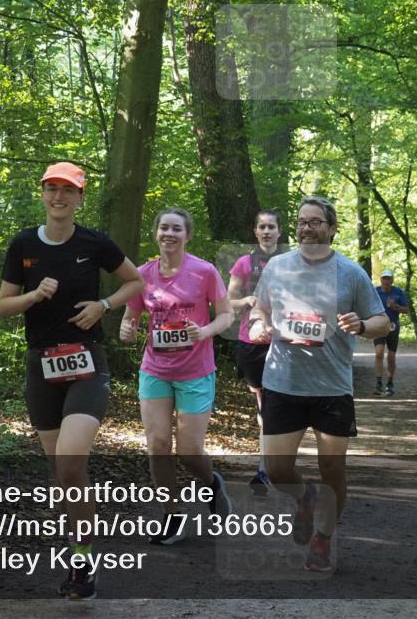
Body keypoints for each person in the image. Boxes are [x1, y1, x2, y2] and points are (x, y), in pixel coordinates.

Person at [0, 162, 145, 600]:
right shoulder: (23, 243)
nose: (59, 197)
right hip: (40, 366)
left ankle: (82, 562)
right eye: (52, 189)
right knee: (61, 471)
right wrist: (33, 295)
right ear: (42, 194)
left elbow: (134, 282)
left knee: (71, 459)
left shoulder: (94, 242)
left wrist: (104, 303)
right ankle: (80, 551)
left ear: (81, 198)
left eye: (68, 190)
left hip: (86, 364)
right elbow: (3, 306)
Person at [248, 196, 389, 572]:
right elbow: (259, 307)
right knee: (277, 470)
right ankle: (305, 498)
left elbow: (383, 322)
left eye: (314, 222)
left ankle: (323, 538)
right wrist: (259, 324)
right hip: (282, 381)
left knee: (333, 470)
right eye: (301, 221)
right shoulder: (277, 267)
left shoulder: (350, 272)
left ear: (331, 228)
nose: (306, 227)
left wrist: (360, 325)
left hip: (331, 386)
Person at [120, 208, 234, 545]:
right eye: (164, 228)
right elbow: (132, 316)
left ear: (187, 235)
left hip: (195, 371)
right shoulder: (142, 275)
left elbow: (227, 315)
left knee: (188, 450)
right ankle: (171, 515)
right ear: (155, 233)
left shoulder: (204, 272)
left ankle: (211, 484)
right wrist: (128, 328)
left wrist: (205, 331)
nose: (169, 234)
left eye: (177, 229)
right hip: (155, 369)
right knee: (157, 445)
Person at [227, 210, 286, 495]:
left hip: (283, 341)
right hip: (251, 343)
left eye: (271, 227)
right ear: (255, 231)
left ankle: (268, 467)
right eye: (261, 226)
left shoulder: (290, 262)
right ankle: (269, 463)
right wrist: (247, 300)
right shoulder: (244, 263)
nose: (266, 231)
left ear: (279, 231)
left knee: (275, 403)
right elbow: (228, 301)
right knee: (263, 404)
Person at [373, 269, 409, 396]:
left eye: (388, 278)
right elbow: (367, 306)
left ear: (392, 280)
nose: (386, 281)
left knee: (391, 357)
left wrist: (395, 307)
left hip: (393, 327)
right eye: (384, 278)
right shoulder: (375, 291)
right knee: (379, 353)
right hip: (379, 325)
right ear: (381, 280)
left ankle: (390, 383)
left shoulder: (398, 292)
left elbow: (406, 310)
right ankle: (378, 383)